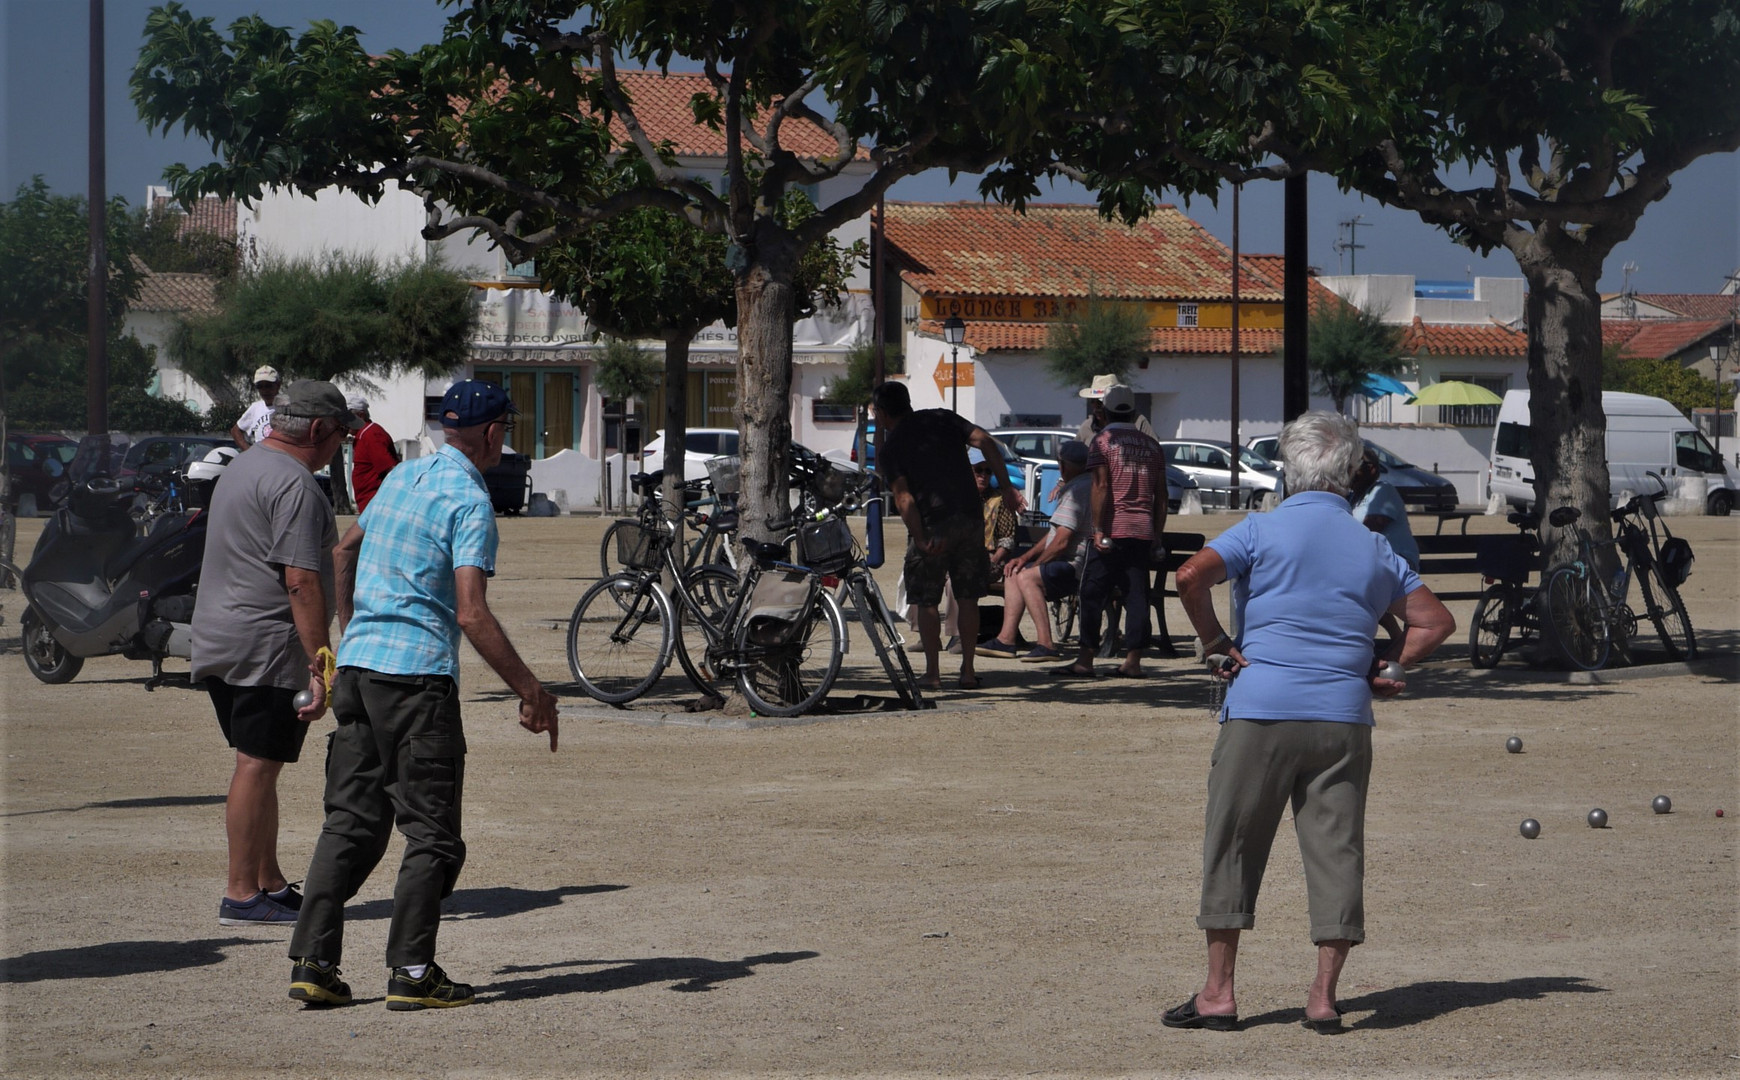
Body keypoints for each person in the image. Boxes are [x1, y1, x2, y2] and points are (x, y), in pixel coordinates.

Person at [1166, 411, 1455, 1034]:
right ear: (1351, 471)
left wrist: (1216, 640)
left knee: (1233, 845)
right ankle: (1323, 997)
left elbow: (1190, 575)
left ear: (1287, 468)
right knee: (1336, 850)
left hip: (1260, 710)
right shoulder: (1374, 546)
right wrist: (1389, 664)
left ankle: (1219, 993)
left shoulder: (1258, 530)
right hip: (1342, 717)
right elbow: (1435, 623)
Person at [286, 379, 559, 1011]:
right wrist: (531, 690)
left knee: (350, 823)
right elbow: (471, 613)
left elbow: (342, 550)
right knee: (433, 834)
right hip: (416, 681)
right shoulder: (468, 499)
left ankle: (314, 963)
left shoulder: (404, 478)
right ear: (492, 434)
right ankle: (411, 971)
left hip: (357, 672)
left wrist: (351, 626)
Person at [192, 380, 361, 927]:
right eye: (341, 434)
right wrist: (322, 660)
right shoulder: (296, 485)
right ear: (318, 430)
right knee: (256, 764)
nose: (342, 445)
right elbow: (300, 580)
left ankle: (267, 880)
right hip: (265, 644)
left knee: (262, 763)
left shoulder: (244, 464)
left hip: (220, 636)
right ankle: (241, 893)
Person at [873, 380, 1017, 691]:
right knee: (967, 597)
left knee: (926, 601)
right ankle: (967, 671)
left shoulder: (892, 448)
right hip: (969, 518)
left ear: (883, 413)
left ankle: (934, 673)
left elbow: (904, 499)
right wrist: (1005, 487)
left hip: (933, 524)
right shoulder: (941, 417)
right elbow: (987, 443)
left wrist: (920, 537)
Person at [1054, 384, 1166, 679]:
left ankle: (1086, 659)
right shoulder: (1152, 446)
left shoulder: (1103, 441)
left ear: (1103, 411)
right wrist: (1157, 536)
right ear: (1133, 411)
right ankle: (1133, 661)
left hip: (1111, 531)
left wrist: (1098, 528)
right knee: (1136, 596)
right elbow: (1162, 496)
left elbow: (1101, 486)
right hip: (1141, 531)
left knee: (1091, 592)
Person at [978, 439, 1092, 663]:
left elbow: (1061, 543)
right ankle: (1006, 639)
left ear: (1063, 466)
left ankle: (1046, 644)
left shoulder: (1077, 491)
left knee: (1027, 577)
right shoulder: (1086, 485)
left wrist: (1035, 565)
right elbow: (1054, 534)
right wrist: (1024, 558)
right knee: (1014, 570)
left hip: (1078, 565)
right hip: (1077, 562)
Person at [1348, 447, 1420, 570]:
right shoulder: (1353, 497)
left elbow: (1369, 530)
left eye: (1352, 467)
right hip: (1373, 561)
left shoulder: (1383, 491)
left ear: (1371, 469)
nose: (1348, 472)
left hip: (1396, 561)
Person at [346, 396, 400, 514]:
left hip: (375, 506)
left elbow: (391, 470)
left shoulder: (371, 435)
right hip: (367, 504)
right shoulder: (363, 435)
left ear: (360, 415)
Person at [1076, 374, 1156, 444]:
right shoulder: (1087, 427)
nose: (1096, 406)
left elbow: (1155, 451)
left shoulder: (1138, 422)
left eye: (1101, 401)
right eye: (1093, 400)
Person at [231, 366, 282, 450]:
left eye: (268, 385)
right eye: (260, 386)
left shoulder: (288, 407)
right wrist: (248, 452)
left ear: (278, 385)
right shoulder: (255, 408)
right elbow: (236, 431)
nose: (265, 390)